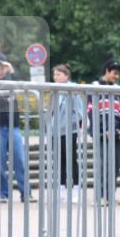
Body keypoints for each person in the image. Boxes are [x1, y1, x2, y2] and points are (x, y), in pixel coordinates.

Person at [0, 59, 30, 203]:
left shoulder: (11, 80)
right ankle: (4, 194)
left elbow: (23, 86)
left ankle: (25, 192)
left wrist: (12, 71)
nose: (0, 71)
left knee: (20, 160)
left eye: (3, 68)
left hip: (13, 126)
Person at [88, 59, 120, 206]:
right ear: (107, 71)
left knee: (115, 165)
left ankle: (110, 196)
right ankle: (100, 197)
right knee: (103, 164)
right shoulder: (95, 87)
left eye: (118, 74)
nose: (117, 77)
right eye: (115, 73)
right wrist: (104, 130)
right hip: (101, 132)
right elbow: (92, 111)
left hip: (115, 132)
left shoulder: (117, 89)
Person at [50, 64, 85, 203]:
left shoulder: (73, 89)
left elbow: (79, 112)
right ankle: (61, 190)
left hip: (70, 130)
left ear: (66, 75)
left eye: (58, 74)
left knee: (71, 160)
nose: (55, 77)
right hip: (56, 131)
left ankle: (75, 189)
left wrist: (73, 125)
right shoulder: (55, 91)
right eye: (54, 75)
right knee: (59, 160)